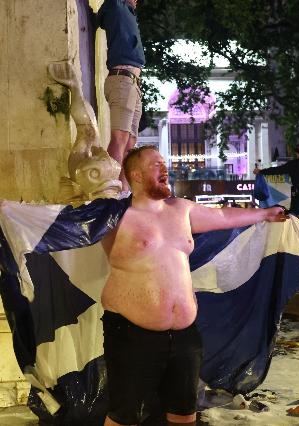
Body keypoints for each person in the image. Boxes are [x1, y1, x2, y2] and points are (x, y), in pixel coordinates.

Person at [101, 145, 287, 426]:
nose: (165, 168)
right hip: (131, 335)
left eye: (164, 163)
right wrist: (13, 215)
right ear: (135, 175)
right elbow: (59, 225)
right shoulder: (113, 217)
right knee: (124, 416)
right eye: (155, 165)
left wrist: (265, 214)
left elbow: (223, 217)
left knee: (185, 413)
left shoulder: (181, 209)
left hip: (185, 337)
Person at [93, 0, 145, 191]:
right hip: (122, 78)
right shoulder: (116, 5)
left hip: (133, 83)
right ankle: (111, 191)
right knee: (120, 137)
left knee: (131, 143)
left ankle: (125, 193)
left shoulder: (129, 17)